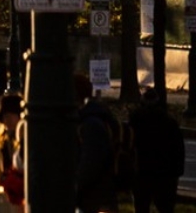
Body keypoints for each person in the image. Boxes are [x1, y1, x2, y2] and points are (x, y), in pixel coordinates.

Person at [126, 81, 184, 213]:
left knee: (141, 206)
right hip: (165, 172)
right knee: (165, 207)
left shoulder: (135, 120)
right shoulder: (169, 122)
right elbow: (178, 150)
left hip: (142, 171)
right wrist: (177, 171)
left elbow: (129, 146)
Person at [79, 75, 124, 213]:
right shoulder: (98, 117)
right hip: (104, 195)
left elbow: (89, 165)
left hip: (95, 198)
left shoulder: (89, 124)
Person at [0, 92, 25, 209]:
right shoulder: (4, 139)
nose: (7, 120)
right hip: (12, 193)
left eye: (11, 116)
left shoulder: (25, 138)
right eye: (5, 117)